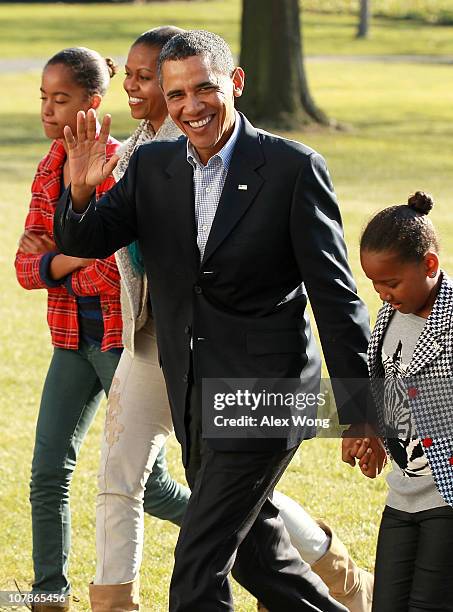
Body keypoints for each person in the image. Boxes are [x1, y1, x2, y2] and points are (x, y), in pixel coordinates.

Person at [54, 30, 382, 612]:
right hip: (193, 391)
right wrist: (79, 192)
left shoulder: (292, 167)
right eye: (176, 95)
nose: (190, 107)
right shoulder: (153, 164)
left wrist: (360, 412)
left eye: (204, 88)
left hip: (270, 393)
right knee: (261, 557)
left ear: (235, 82)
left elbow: (336, 297)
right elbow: (87, 237)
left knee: (197, 568)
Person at [14, 47, 188, 611]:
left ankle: (261, 529)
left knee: (154, 487)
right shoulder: (47, 167)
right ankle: (49, 592)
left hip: (122, 340)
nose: (47, 109)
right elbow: (25, 268)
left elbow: (115, 269)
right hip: (70, 341)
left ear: (92, 104)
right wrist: (73, 254)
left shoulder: (120, 164)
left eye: (59, 99)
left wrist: (64, 253)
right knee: (47, 471)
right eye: (43, 97)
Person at [357, 191, 453, 612]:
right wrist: (372, 430)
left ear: (429, 264)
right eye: (375, 284)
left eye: (391, 283)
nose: (382, 294)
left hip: (446, 500)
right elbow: (385, 384)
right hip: (402, 497)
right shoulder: (388, 319)